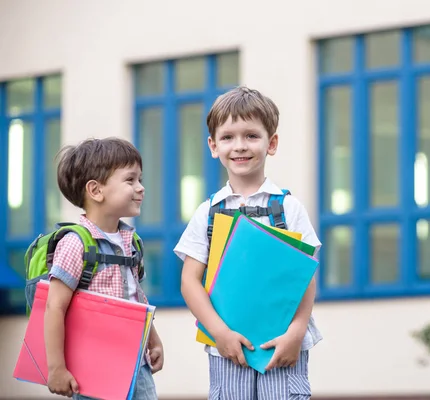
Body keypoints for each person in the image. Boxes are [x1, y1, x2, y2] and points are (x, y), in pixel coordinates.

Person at [175, 86, 321, 399]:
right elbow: (189, 281)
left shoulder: (288, 208)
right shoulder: (208, 213)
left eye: (251, 135)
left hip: (281, 344)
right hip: (227, 346)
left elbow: (304, 276)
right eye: (228, 137)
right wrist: (219, 333)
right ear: (213, 146)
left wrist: (296, 333)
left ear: (272, 143)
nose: (239, 146)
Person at [44, 137, 163, 399]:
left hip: (136, 364)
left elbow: (136, 297)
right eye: (130, 180)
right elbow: (55, 307)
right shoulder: (76, 243)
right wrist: (57, 368)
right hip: (93, 369)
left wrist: (152, 339)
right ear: (96, 191)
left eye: (140, 179)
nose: (141, 188)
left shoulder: (131, 242)